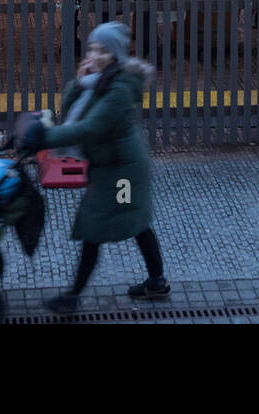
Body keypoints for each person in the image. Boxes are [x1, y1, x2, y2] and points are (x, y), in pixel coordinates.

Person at [22, 21, 169, 313]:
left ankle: (72, 297)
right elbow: (71, 115)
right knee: (136, 223)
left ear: (115, 55)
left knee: (95, 227)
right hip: (111, 165)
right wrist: (78, 81)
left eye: (102, 50)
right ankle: (157, 283)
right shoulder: (98, 81)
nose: (94, 54)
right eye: (91, 48)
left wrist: (41, 138)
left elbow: (90, 127)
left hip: (122, 171)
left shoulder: (120, 89)